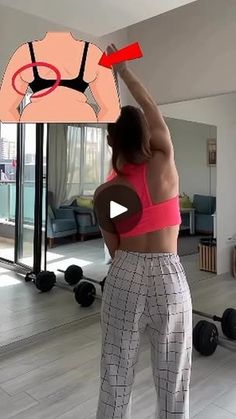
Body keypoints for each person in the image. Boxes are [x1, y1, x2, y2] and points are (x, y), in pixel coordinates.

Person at [95, 43, 192, 419]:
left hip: (127, 273)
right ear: (148, 135)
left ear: (110, 142)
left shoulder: (107, 192)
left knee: (116, 375)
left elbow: (115, 248)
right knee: (174, 379)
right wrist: (122, 69)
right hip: (169, 275)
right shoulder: (164, 161)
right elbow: (149, 103)